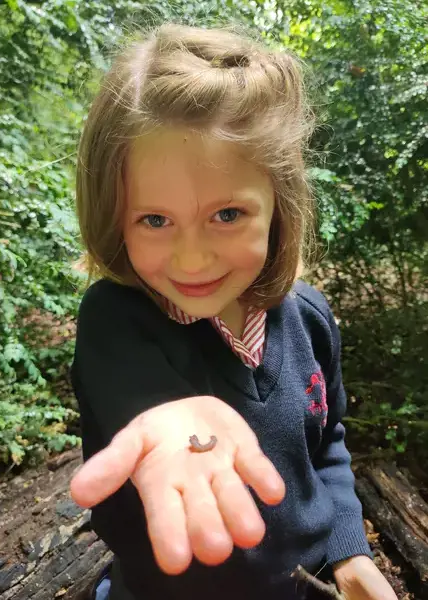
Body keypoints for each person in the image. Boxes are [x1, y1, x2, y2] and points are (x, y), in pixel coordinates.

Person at [69, 23, 397, 600]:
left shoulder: (309, 317)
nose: (192, 258)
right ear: (114, 216)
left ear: (278, 204)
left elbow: (328, 443)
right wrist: (170, 418)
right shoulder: (115, 322)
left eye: (227, 215)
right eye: (155, 219)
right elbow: (139, 399)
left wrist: (349, 546)